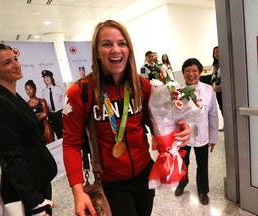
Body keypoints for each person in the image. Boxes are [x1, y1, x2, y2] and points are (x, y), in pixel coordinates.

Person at [62, 20, 191, 216]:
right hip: (111, 184)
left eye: (122, 43)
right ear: (96, 52)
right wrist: (78, 191)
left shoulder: (140, 85)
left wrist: (181, 128)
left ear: (129, 49)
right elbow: (70, 144)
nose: (116, 49)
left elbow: (155, 122)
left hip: (144, 173)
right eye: (107, 44)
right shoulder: (80, 92)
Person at [0, 43, 57, 216]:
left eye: (15, 59)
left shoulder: (11, 95)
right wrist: (35, 205)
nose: (16, 65)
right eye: (7, 63)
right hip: (28, 192)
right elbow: (12, 157)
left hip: (38, 181)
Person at [174, 58, 218, 205]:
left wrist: (213, 137)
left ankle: (203, 191)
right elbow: (171, 115)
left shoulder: (208, 90)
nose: (191, 74)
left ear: (200, 72)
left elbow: (212, 114)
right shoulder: (176, 91)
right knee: (182, 162)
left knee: (202, 164)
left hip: (201, 134)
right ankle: (182, 182)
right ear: (183, 73)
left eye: (194, 71)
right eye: (187, 71)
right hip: (182, 135)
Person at [25, 80, 55, 144]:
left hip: (46, 127)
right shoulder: (26, 105)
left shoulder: (42, 101)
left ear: (35, 89)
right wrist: (40, 114)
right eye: (26, 90)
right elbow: (28, 119)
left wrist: (34, 116)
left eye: (30, 89)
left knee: (53, 147)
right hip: (36, 130)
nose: (28, 91)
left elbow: (45, 114)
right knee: (43, 151)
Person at [41, 70, 64, 139]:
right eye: (44, 78)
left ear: (51, 78)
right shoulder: (44, 92)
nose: (46, 79)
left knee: (66, 133)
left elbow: (65, 101)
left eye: (48, 77)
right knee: (58, 135)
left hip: (60, 114)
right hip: (52, 116)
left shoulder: (58, 88)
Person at [210, 46, 223, 116]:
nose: (216, 54)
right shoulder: (215, 66)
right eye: (214, 53)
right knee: (221, 108)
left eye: (218, 52)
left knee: (226, 108)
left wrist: (221, 87)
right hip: (218, 91)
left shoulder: (225, 65)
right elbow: (213, 79)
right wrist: (214, 87)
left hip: (225, 91)